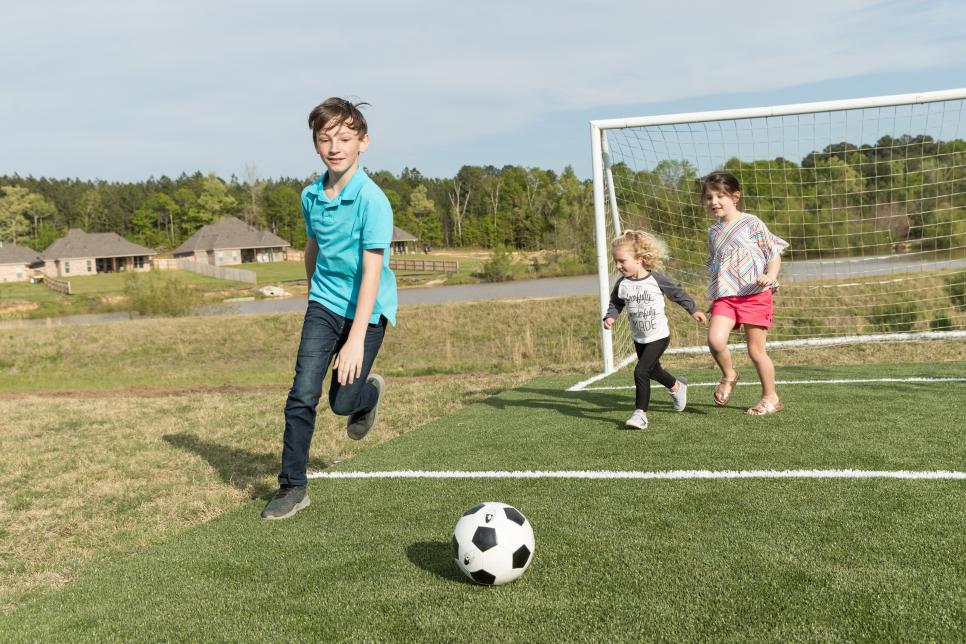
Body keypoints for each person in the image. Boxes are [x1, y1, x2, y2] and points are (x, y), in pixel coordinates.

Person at [262, 98, 397, 520]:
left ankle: (367, 393)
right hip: (323, 304)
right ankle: (292, 486)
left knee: (342, 403)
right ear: (316, 144)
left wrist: (355, 340)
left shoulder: (373, 201)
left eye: (344, 138)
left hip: (367, 310)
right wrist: (312, 295)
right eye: (325, 139)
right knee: (302, 392)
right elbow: (313, 246)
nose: (334, 147)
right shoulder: (310, 196)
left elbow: (371, 275)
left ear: (363, 142)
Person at [702, 171, 789, 416]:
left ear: (735, 197)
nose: (714, 202)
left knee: (755, 351)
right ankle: (729, 375)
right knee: (715, 340)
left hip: (755, 295)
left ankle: (771, 398)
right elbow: (717, 266)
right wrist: (716, 295)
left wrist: (770, 277)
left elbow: (773, 255)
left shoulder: (752, 223)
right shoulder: (713, 232)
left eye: (720, 196)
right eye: (709, 197)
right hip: (726, 297)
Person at [603, 230, 707, 429]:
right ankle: (677, 387)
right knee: (653, 371)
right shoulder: (622, 284)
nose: (618, 266)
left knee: (641, 371)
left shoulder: (656, 279)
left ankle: (640, 414)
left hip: (659, 336)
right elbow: (616, 303)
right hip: (639, 337)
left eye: (622, 261)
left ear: (639, 259)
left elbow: (678, 293)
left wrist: (693, 310)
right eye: (616, 261)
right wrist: (610, 316)